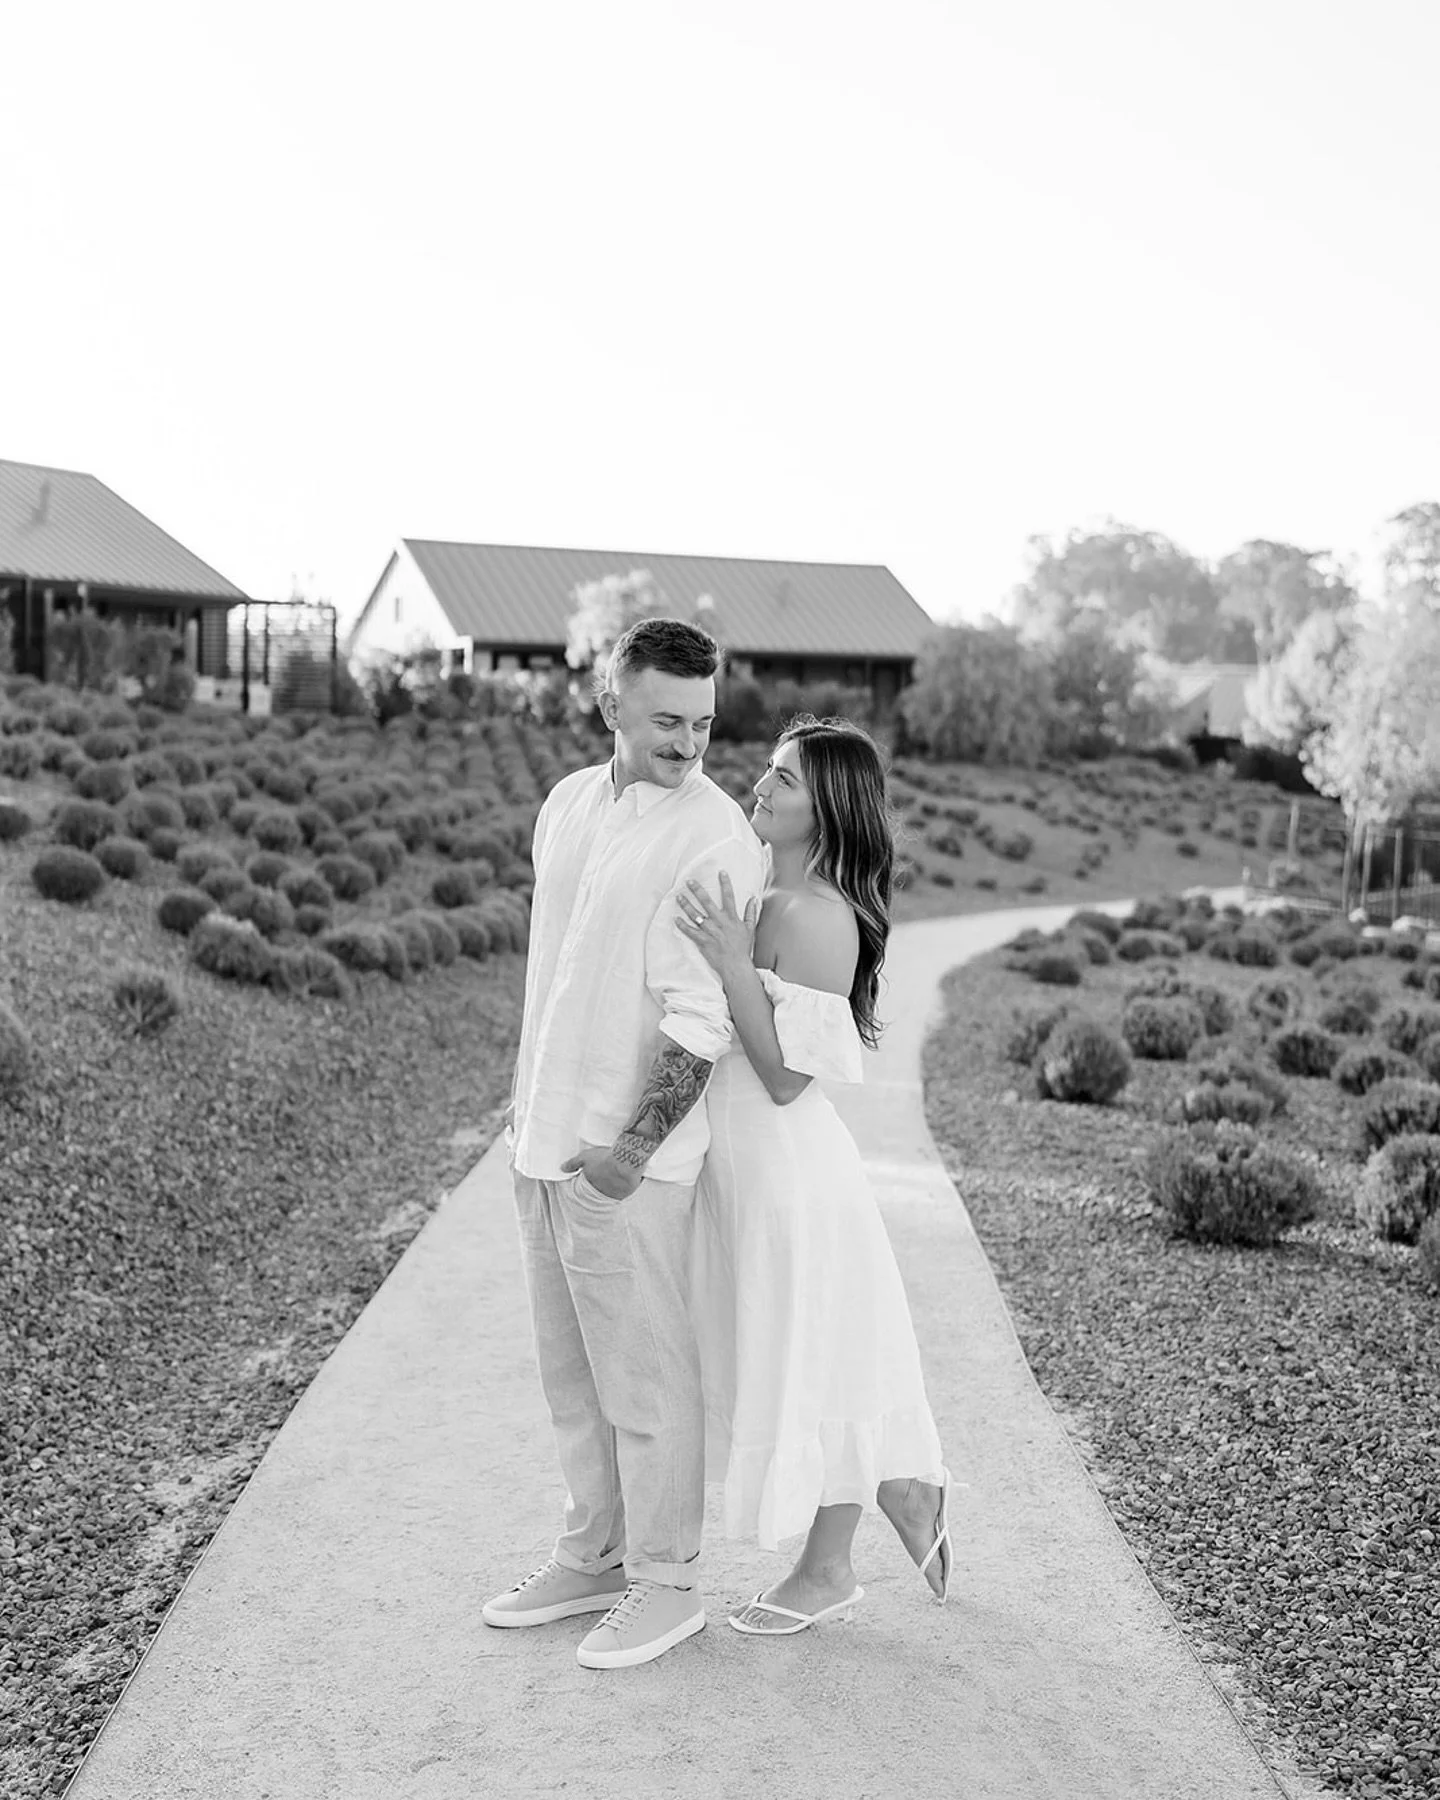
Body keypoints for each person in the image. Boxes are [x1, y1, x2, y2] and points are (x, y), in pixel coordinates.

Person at [482, 617, 765, 1670]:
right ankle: (594, 1555)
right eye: (666, 721)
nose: (689, 743)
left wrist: (627, 1152)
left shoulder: (716, 836)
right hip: (542, 1141)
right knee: (572, 1380)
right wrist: (528, 1113)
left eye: (703, 723)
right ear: (611, 705)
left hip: (627, 1166)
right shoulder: (566, 803)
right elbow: (557, 967)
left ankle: (669, 1582)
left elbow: (704, 1016)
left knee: (644, 1382)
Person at [677, 715, 952, 1635]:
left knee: (819, 1359)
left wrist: (731, 963)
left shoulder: (823, 917)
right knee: (786, 1353)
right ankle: (903, 1488)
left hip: (788, 1171)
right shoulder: (758, 891)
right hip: (734, 1167)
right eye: (769, 768)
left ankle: (830, 1566)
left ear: (828, 808)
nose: (761, 785)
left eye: (785, 779)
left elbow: (787, 1078)